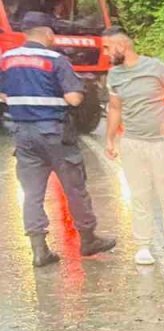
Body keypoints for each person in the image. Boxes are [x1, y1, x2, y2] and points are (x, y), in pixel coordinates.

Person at [0, 12, 114, 267]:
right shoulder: (55, 59)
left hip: (23, 134)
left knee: (32, 193)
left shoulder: (6, 59)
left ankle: (39, 250)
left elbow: (3, 95)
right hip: (54, 133)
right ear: (48, 33)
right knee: (74, 187)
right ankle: (88, 238)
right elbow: (74, 98)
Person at [102, 26, 164, 265]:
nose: (106, 53)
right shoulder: (114, 75)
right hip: (132, 142)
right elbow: (116, 108)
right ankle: (143, 244)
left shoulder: (155, 67)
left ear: (121, 46)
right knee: (139, 193)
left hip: (161, 143)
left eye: (108, 47)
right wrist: (110, 138)